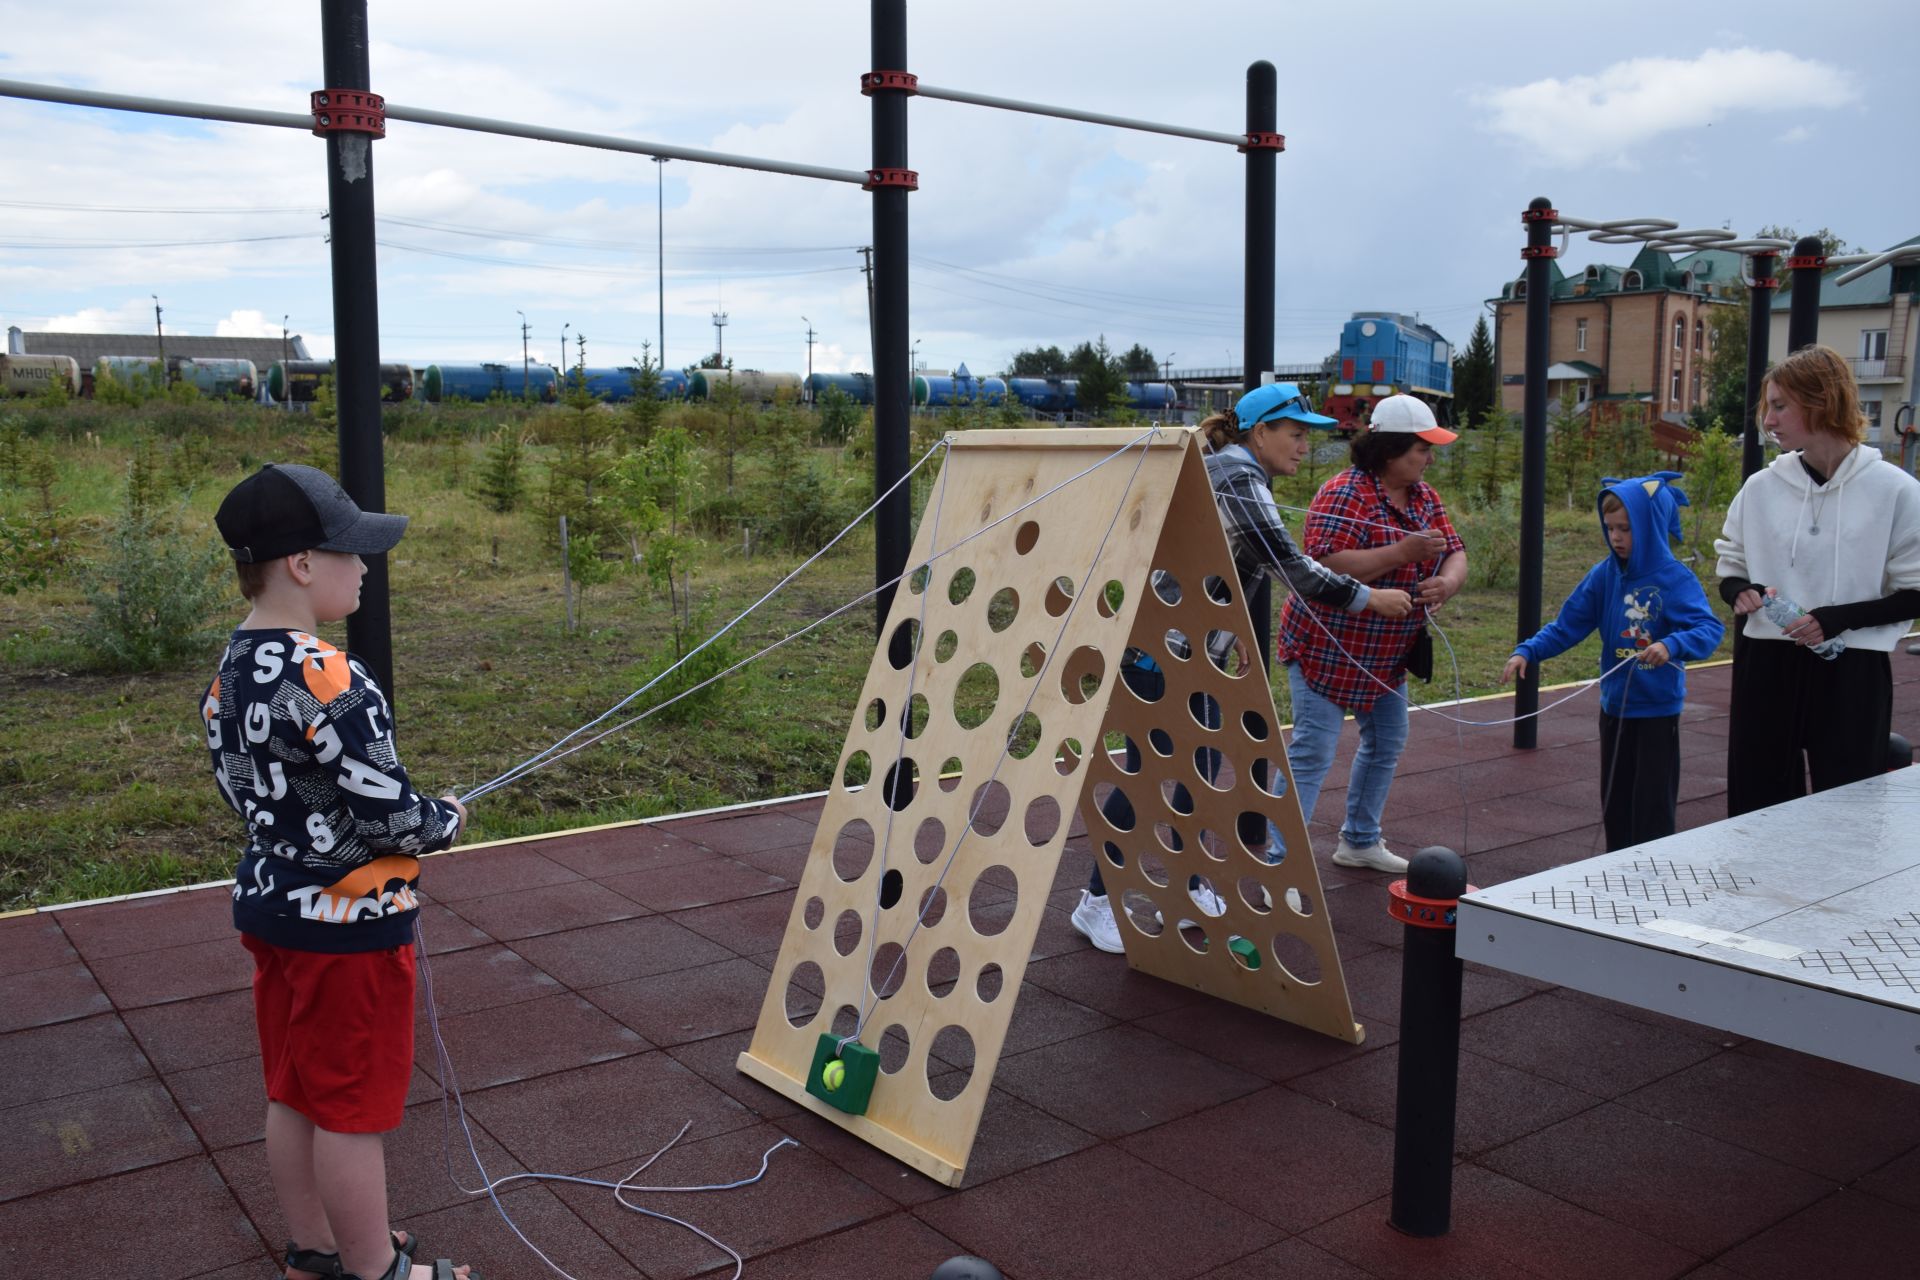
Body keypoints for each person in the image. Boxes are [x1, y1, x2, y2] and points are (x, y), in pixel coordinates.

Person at [205, 464, 475, 1280]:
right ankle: (375, 1269)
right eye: (351, 553)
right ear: (299, 564)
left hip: (271, 915)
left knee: (294, 1091)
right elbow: (391, 817)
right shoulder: (334, 675)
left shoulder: (228, 674)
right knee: (351, 1111)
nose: (365, 568)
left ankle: (318, 1249)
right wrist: (448, 820)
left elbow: (248, 796)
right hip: (348, 932)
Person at [1070, 383, 1414, 952]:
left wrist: (1241, 640)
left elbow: (1235, 571)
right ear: (1262, 432)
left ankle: (1191, 886)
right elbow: (1290, 566)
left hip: (1192, 654)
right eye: (1297, 434)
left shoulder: (1235, 471)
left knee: (1197, 780)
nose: (1305, 446)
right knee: (1150, 779)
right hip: (1164, 655)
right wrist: (1367, 597)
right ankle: (1096, 901)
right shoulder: (1238, 475)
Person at [1714, 344, 1920, 816]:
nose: (1767, 419)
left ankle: (1843, 893)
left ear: (1822, 402)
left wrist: (1836, 620)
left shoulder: (1896, 491)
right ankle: (1759, 891)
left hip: (1851, 668)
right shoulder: (1761, 487)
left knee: (1848, 809)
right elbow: (1731, 562)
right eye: (1767, 406)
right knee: (1757, 805)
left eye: (1780, 405)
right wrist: (1737, 590)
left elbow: (1917, 592)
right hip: (1766, 661)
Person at [1274, 394, 1467, 874]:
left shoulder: (1424, 495)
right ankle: (1281, 863)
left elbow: (1455, 550)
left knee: (1386, 740)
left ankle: (1359, 840)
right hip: (1326, 646)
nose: (1429, 458)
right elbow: (1321, 563)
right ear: (1390, 450)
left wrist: (1447, 581)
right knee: (1313, 752)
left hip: (1387, 651)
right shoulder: (1344, 492)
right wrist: (1401, 554)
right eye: (1421, 448)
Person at [1501, 475, 1724, 850]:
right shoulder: (1603, 575)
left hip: (1656, 713)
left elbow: (1708, 628)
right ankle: (1616, 872)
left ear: (1651, 526)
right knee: (1615, 804)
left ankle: (1651, 878)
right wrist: (1529, 649)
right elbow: (1568, 625)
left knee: (1651, 808)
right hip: (1615, 710)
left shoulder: (1673, 578)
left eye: (1626, 528)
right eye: (1610, 528)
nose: (1617, 537)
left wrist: (1672, 644)